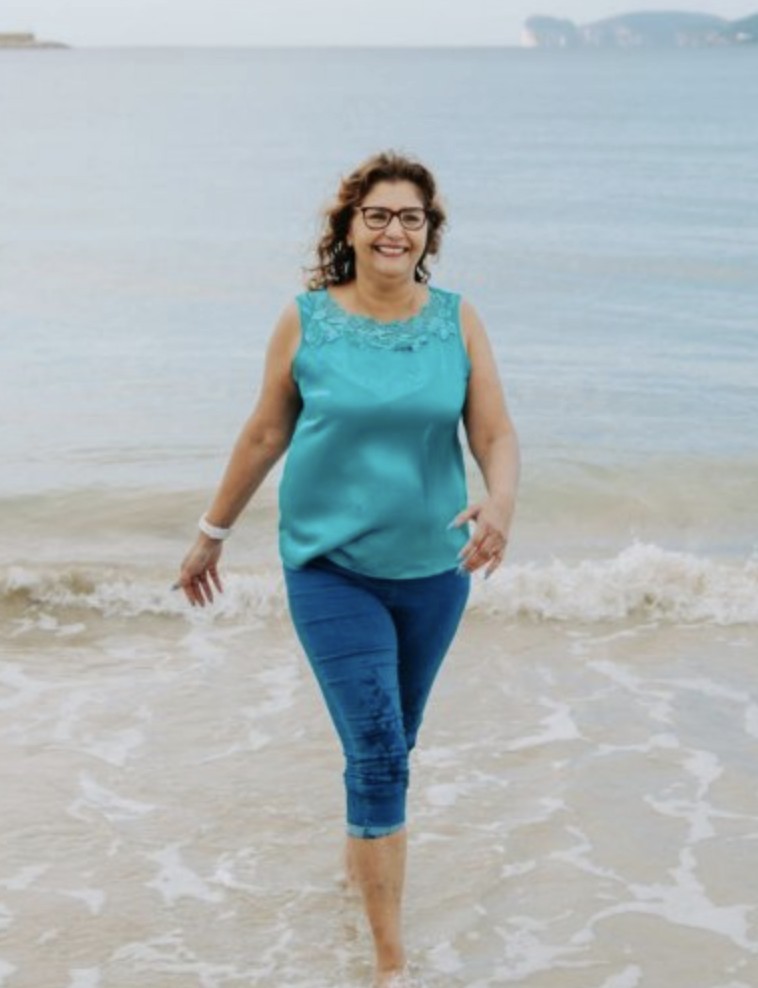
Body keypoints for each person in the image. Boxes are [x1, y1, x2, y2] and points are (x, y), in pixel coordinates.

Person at [175, 150, 520, 988]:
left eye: (411, 217)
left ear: (428, 232)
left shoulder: (458, 320)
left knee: (394, 740)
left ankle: (358, 871)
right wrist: (212, 532)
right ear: (350, 228)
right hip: (330, 567)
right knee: (378, 751)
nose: (395, 230)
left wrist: (500, 505)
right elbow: (266, 433)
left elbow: (493, 433)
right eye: (378, 215)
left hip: (434, 572)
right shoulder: (306, 320)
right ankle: (390, 963)